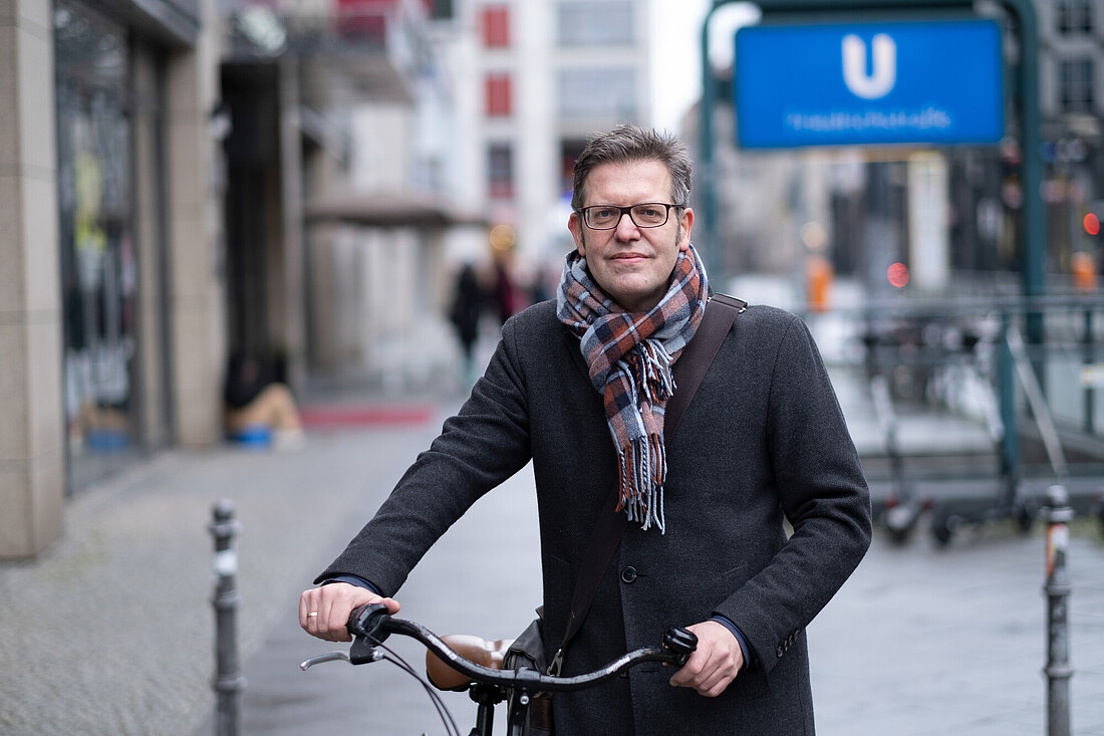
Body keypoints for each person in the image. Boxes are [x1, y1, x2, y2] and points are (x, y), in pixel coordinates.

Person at [299, 125, 871, 733]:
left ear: (684, 225)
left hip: (739, 703)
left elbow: (838, 514)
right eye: (604, 214)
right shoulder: (535, 344)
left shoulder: (769, 344)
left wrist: (743, 626)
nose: (628, 230)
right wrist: (361, 574)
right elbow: (454, 462)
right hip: (592, 704)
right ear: (577, 229)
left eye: (650, 211)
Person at [223, 351, 305, 451]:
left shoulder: (254, 381)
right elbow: (238, 399)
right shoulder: (235, 381)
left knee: (279, 394)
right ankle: (290, 432)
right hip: (240, 421)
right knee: (278, 394)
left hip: (249, 418)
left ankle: (290, 431)